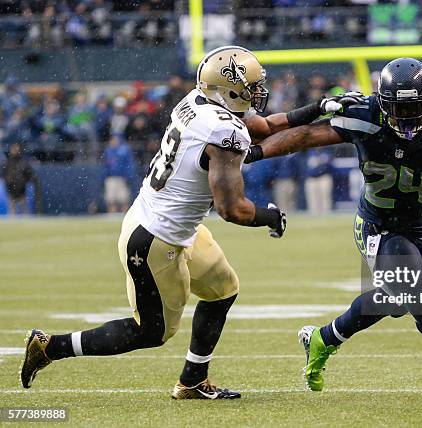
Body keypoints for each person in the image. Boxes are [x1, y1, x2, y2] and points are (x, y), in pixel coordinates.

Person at [20, 45, 359, 400]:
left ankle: (193, 380)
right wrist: (270, 216)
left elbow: (264, 126)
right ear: (228, 88)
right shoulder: (222, 133)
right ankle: (50, 347)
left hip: (168, 222)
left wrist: (318, 108)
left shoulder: (199, 101)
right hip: (155, 240)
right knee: (151, 332)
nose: (258, 91)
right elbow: (233, 209)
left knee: (222, 288)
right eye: (251, 86)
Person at [246, 58, 422, 394]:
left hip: (421, 225)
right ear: (383, 103)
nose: (406, 116)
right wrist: (254, 153)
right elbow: (303, 137)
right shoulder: (364, 115)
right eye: (399, 108)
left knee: (396, 301)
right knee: (418, 300)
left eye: (414, 106)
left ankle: (322, 338)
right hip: (379, 224)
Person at [2, 143, 38, 215]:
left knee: (24, 211)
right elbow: (4, 175)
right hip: (11, 190)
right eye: (14, 149)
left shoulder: (23, 162)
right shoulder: (8, 163)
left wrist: (22, 182)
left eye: (17, 149)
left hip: (21, 191)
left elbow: (30, 175)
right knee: (13, 211)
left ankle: (27, 224)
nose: (15, 151)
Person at [103, 134, 135, 213]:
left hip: (122, 177)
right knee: (111, 199)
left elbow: (129, 164)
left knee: (124, 199)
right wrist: (104, 176)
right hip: (111, 177)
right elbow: (105, 165)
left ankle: (125, 216)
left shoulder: (124, 149)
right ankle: (112, 216)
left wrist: (128, 176)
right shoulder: (108, 150)